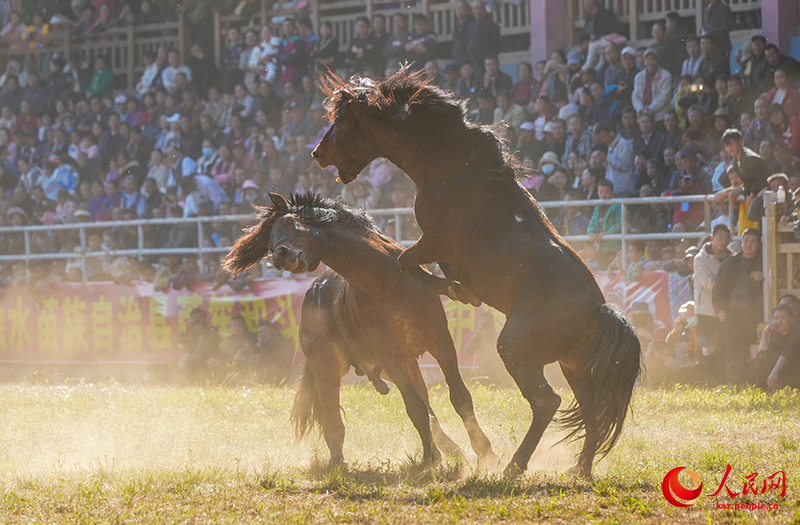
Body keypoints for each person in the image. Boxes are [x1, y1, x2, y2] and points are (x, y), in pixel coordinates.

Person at [713, 228, 764, 369]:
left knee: (752, 347)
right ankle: (733, 381)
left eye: (753, 242)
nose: (749, 245)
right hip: (732, 314)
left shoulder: (764, 262)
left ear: (759, 244)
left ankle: (750, 381)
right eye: (746, 241)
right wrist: (721, 311)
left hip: (754, 315)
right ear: (741, 242)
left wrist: (763, 276)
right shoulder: (729, 264)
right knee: (731, 349)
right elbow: (718, 290)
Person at [728, 305, 797, 390]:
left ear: (791, 319)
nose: (779, 321)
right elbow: (763, 354)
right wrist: (764, 334)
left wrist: (774, 372)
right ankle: (739, 387)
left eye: (783, 317)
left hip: (789, 367)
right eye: (776, 318)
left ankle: (760, 389)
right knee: (733, 367)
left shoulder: (796, 332)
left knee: (762, 365)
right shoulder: (777, 334)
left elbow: (788, 352)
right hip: (773, 365)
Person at [693, 224, 731, 356]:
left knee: (722, 347)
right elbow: (710, 284)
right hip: (707, 310)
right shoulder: (700, 259)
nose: (724, 242)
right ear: (712, 237)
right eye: (720, 238)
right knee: (707, 348)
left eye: (727, 239)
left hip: (725, 308)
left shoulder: (731, 257)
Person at [721, 128, 772, 198]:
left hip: (768, 191)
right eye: (727, 146)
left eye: (732, 144)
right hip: (755, 193)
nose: (729, 148)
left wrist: (752, 194)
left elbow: (759, 181)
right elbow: (748, 183)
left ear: (740, 142)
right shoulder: (735, 161)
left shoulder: (750, 158)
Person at [178, 307, 222, 381]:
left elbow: (217, 339)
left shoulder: (212, 330)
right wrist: (186, 328)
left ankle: (212, 382)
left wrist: (202, 330)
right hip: (193, 357)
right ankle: (185, 381)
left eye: (199, 318)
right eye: (195, 319)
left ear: (204, 318)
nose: (197, 321)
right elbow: (180, 340)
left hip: (208, 357)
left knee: (213, 362)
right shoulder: (190, 332)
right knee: (185, 359)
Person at [594, 121, 635, 197]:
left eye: (604, 137)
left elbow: (624, 166)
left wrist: (607, 158)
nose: (603, 140)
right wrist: (603, 161)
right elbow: (611, 167)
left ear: (611, 133)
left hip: (623, 190)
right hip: (612, 190)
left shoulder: (623, 144)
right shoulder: (610, 145)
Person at [632, 48, 673, 124]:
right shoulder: (638, 77)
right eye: (647, 60)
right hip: (642, 116)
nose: (650, 62)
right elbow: (635, 96)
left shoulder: (666, 75)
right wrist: (641, 109)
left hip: (660, 116)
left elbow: (663, 97)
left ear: (657, 61)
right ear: (644, 62)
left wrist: (649, 109)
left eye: (652, 59)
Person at [587, 179, 621, 268]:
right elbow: (592, 224)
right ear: (598, 193)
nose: (604, 195)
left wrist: (608, 233)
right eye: (601, 192)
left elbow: (619, 224)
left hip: (614, 247)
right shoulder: (597, 208)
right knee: (602, 269)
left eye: (607, 192)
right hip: (601, 248)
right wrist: (591, 233)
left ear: (613, 193)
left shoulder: (618, 207)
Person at [253, 319, 294, 385]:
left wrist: (259, 348)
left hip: (281, 375)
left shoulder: (277, 342)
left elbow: (269, 361)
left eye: (265, 331)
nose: (263, 334)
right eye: (260, 332)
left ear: (273, 331)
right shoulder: (265, 343)